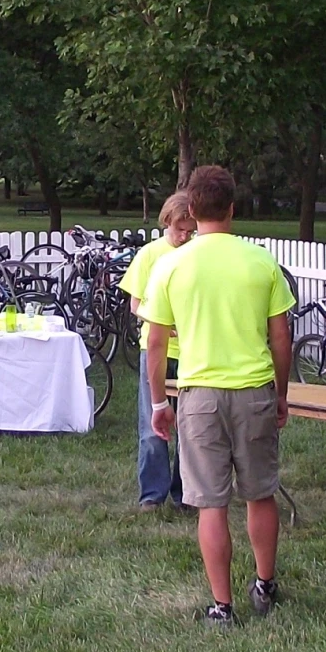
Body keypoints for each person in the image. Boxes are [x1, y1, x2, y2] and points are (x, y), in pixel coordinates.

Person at [142, 164, 297, 625]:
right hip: (253, 391)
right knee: (260, 493)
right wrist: (282, 394)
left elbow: (155, 343)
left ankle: (222, 605)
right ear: (232, 208)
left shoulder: (172, 265)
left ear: (191, 209)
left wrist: (158, 402)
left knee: (210, 502)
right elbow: (281, 339)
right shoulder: (261, 261)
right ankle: (265, 584)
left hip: (199, 395)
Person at [119, 192, 195, 507]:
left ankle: (186, 494)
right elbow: (136, 304)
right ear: (167, 222)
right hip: (157, 350)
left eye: (190, 230)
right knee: (152, 424)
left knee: (189, 428)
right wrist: (163, 323)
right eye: (180, 229)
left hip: (191, 352)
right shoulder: (150, 255)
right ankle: (152, 494)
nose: (184, 236)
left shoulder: (196, 255)